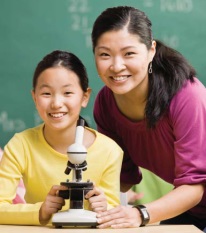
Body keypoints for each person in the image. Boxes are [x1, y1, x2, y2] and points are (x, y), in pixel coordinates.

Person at [91, 6, 206, 231]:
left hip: (194, 200)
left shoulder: (186, 96)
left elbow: (196, 185)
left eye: (129, 53)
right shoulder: (105, 103)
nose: (116, 66)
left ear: (151, 50)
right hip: (193, 210)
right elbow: (121, 177)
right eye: (105, 54)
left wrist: (140, 213)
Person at [0, 50, 123, 226]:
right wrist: (40, 211)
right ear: (34, 97)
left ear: (85, 96)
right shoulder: (21, 145)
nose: (56, 103)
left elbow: (113, 212)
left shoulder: (110, 151)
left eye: (67, 93)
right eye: (46, 94)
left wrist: (103, 207)